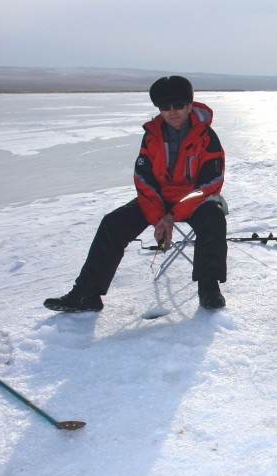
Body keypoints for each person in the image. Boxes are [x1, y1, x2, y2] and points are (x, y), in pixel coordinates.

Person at [44, 75, 228, 312]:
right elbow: (143, 179)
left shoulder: (206, 137)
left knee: (214, 219)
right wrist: (159, 215)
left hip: (195, 199)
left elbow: (210, 183)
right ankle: (86, 294)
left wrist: (172, 216)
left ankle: (209, 288)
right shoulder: (151, 134)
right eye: (165, 107)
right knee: (113, 223)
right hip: (159, 200)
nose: (172, 112)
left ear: (190, 105)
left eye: (179, 105)